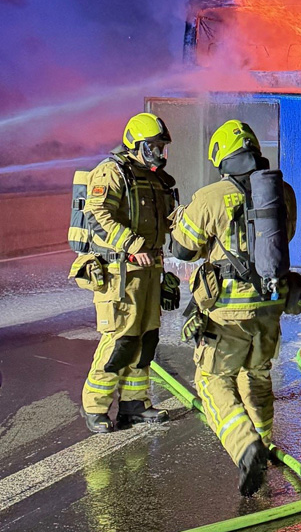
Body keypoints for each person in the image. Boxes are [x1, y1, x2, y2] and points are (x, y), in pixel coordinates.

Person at [170, 120, 301, 496]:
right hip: (270, 305)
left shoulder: (211, 196)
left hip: (227, 313)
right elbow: (286, 237)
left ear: (220, 155)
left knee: (212, 381)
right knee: (257, 375)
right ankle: (263, 444)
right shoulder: (282, 191)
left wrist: (183, 217)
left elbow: (183, 249)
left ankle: (246, 446)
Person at [73, 113, 180, 434]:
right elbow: (97, 214)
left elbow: (169, 222)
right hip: (119, 271)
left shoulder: (152, 178)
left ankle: (135, 404)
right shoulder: (112, 171)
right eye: (153, 147)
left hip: (148, 270)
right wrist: (132, 244)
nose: (159, 154)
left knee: (146, 339)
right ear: (136, 144)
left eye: (161, 147)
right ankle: (95, 406)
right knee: (120, 339)